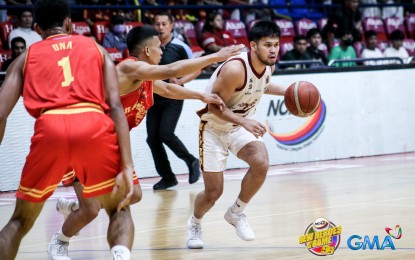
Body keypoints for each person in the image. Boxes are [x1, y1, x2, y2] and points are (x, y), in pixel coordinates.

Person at [49, 25, 244, 259]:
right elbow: (171, 70)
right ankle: (60, 241)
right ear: (148, 50)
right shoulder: (128, 67)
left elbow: (170, 89)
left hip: (110, 147)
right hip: (83, 141)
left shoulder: (144, 79)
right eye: (159, 47)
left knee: (134, 195)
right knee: (91, 210)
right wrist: (215, 56)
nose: (162, 51)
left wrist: (201, 96)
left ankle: (75, 207)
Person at [0, 1, 136, 260]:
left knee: (18, 222)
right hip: (93, 124)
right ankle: (120, 254)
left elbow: (0, 114)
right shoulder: (96, 48)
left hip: (50, 127)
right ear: (69, 24)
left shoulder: (25, 57)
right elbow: (116, 106)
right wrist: (127, 165)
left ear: (37, 28)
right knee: (119, 210)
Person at [186, 20, 289, 249]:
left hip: (240, 126)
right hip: (213, 128)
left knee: (261, 162)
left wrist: (291, 92)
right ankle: (194, 223)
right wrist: (245, 121)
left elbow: (262, 85)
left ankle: (236, 213)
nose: (273, 50)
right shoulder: (234, 69)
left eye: (276, 44)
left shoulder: (268, 67)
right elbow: (214, 106)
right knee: (213, 193)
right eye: (267, 45)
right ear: (253, 46)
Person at [147, 12, 206, 190]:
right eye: (157, 24)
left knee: (165, 133)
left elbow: (198, 68)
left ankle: (191, 160)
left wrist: (181, 81)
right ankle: (168, 177)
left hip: (173, 96)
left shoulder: (180, 46)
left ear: (172, 25)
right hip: (153, 96)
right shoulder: (150, 45)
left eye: (164, 23)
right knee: (152, 139)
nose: (160, 27)